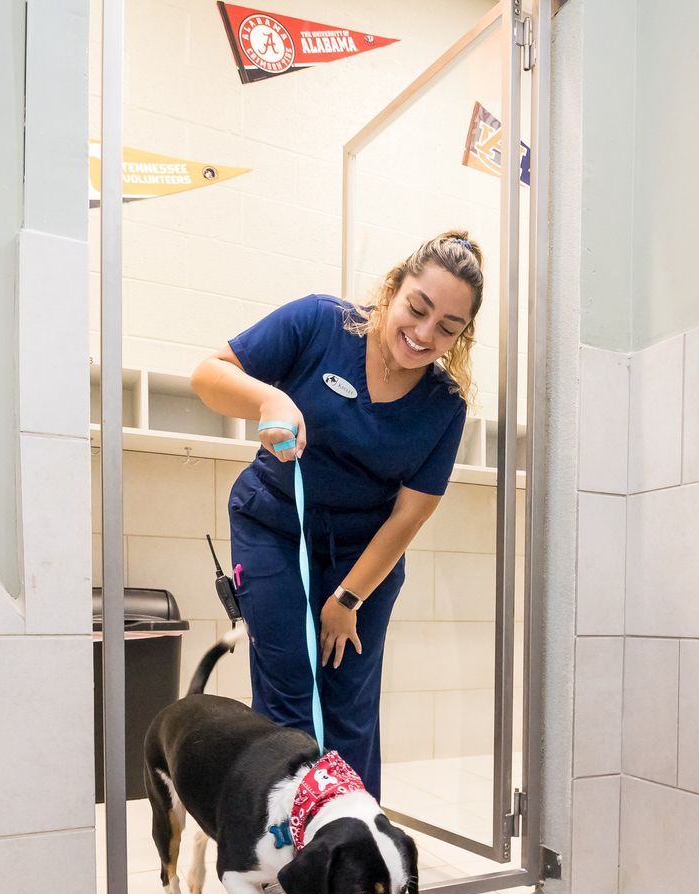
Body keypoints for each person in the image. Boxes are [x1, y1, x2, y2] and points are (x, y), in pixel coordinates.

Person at [188, 231, 484, 799]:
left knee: (349, 704)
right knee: (288, 693)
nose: (424, 334)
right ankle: (279, 852)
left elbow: (410, 515)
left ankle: (352, 861)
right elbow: (208, 374)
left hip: (362, 554)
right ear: (393, 289)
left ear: (460, 335)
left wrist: (347, 599)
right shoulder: (320, 323)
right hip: (274, 527)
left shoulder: (445, 406)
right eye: (417, 309)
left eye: (447, 327)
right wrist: (269, 400)